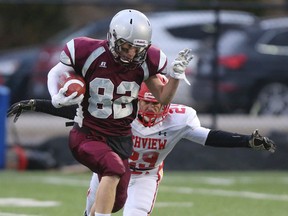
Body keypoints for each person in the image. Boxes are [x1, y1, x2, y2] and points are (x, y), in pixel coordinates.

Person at [7, 75, 276, 216]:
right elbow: (79, 112)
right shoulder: (123, 109)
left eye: (157, 102)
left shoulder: (179, 118)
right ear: (138, 100)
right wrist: (37, 105)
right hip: (111, 170)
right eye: (147, 101)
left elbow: (208, 136)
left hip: (146, 175)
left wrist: (245, 141)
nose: (151, 106)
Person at [45, 9, 193, 216]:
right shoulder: (87, 51)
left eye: (137, 48)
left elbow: (163, 97)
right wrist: (55, 96)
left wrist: (176, 76)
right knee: (113, 169)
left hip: (121, 138)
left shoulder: (147, 61)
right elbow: (57, 71)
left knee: (116, 202)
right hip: (88, 133)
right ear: (113, 38)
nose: (131, 53)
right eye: (126, 46)